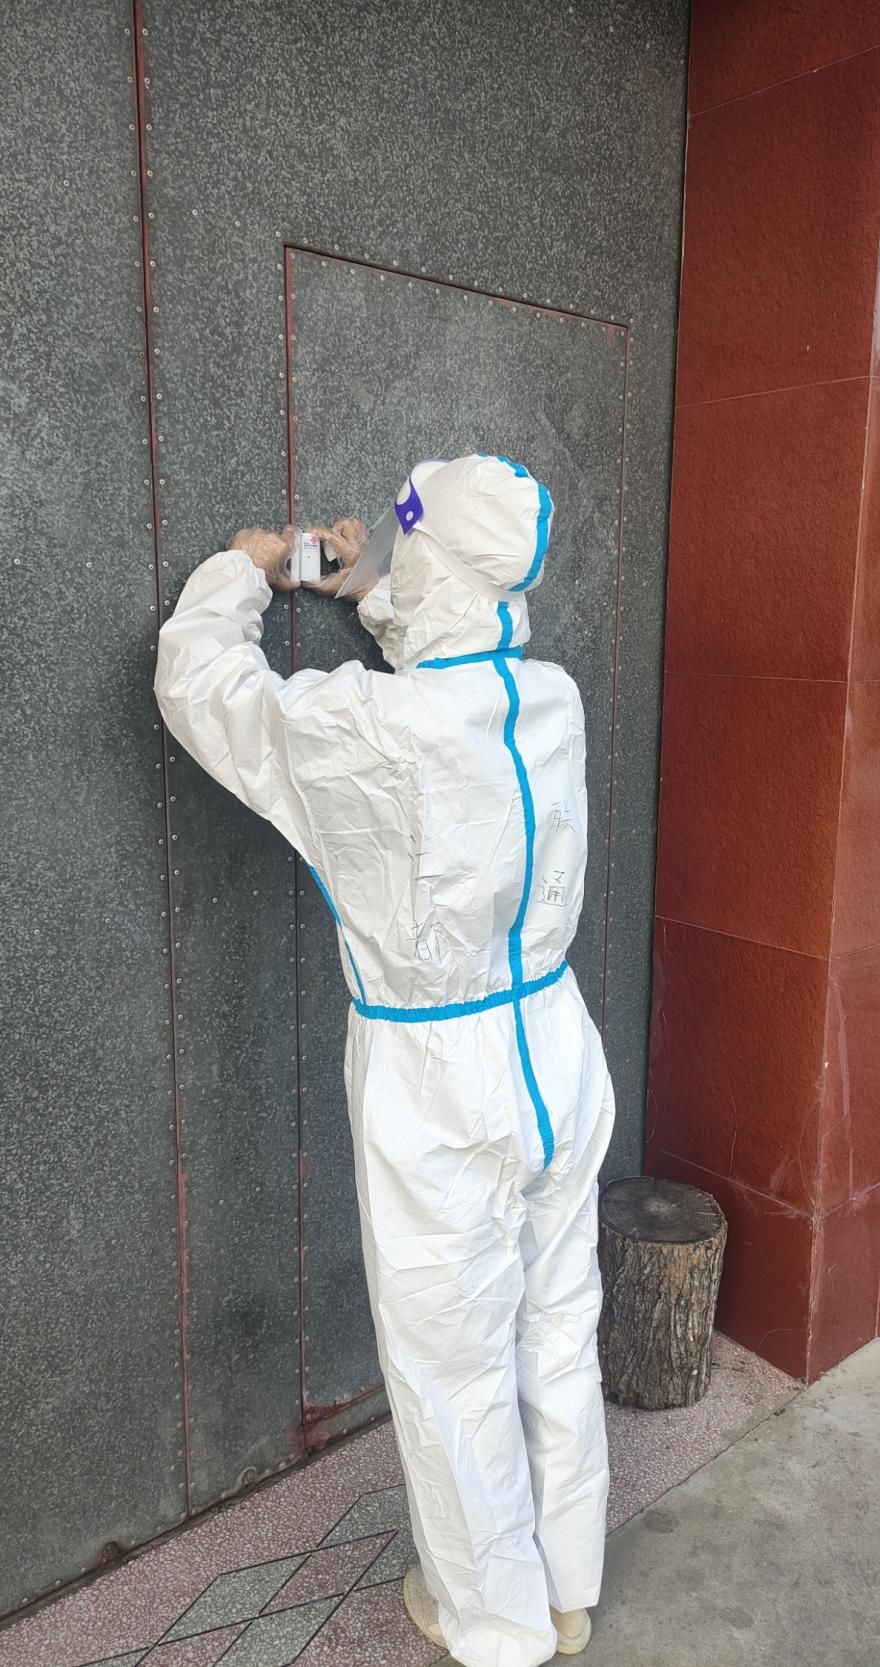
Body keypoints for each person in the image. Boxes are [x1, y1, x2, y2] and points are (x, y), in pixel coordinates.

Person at [154, 454, 615, 1667]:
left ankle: (495, 1620)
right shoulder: (551, 699)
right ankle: (567, 1581)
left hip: (436, 1076)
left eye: (412, 544)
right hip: (556, 1045)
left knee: (451, 1355)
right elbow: (459, 651)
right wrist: (371, 587)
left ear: (438, 565)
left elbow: (206, 687)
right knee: (556, 1316)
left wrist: (242, 571)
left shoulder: (367, 727)